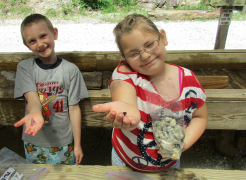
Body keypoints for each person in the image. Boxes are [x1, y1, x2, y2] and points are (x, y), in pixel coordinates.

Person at [92, 13, 208, 172]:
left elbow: (200, 116)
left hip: (170, 164)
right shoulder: (126, 75)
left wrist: (183, 143)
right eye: (133, 53)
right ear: (124, 58)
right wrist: (128, 111)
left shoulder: (189, 81)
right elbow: (123, 96)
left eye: (150, 44)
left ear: (163, 37)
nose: (145, 55)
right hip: (126, 163)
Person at [14, 13, 89, 165]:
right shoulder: (25, 68)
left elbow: (74, 109)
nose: (40, 44)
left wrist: (77, 144)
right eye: (32, 41)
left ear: (54, 33)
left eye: (43, 36)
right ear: (26, 45)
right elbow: (32, 98)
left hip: (63, 141)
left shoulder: (71, 70)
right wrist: (35, 113)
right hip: (34, 141)